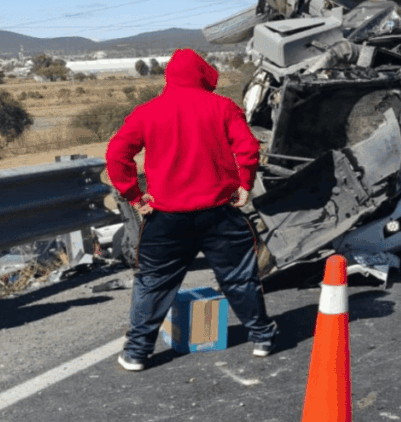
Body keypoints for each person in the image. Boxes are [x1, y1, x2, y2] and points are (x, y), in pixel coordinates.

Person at [106, 48, 277, 372]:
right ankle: (262, 338)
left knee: (153, 282)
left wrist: (135, 196)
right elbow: (249, 148)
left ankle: (137, 353)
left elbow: (116, 155)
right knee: (239, 278)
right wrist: (245, 184)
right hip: (219, 213)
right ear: (202, 75)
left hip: (166, 218)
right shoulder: (224, 107)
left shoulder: (147, 112)